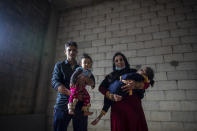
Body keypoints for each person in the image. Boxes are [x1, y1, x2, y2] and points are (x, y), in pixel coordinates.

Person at [94, 52, 149, 131]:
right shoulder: (110, 76)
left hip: (134, 108)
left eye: (121, 59)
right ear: (114, 63)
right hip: (118, 110)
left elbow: (146, 84)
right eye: (116, 61)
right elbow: (101, 88)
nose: (119, 62)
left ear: (125, 61)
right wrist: (111, 96)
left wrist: (136, 84)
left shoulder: (133, 71)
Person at [51, 41, 88, 131]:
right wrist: (70, 93)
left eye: (74, 50)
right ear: (65, 52)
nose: (72, 52)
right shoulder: (59, 65)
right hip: (63, 104)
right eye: (69, 50)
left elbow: (89, 82)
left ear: (77, 52)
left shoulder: (81, 67)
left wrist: (89, 81)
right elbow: (54, 81)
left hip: (79, 104)